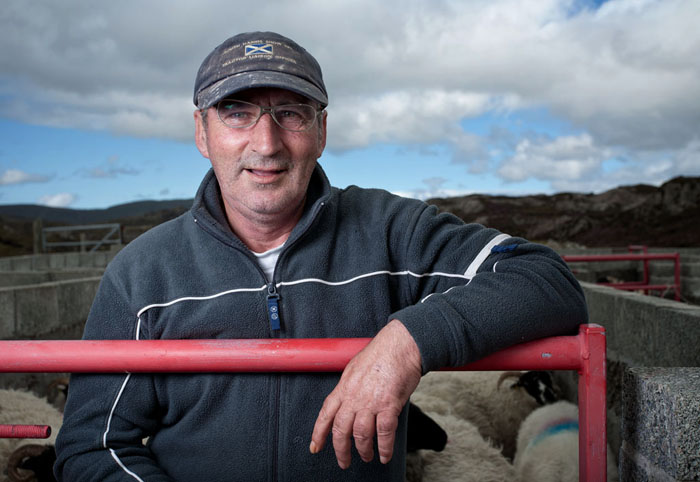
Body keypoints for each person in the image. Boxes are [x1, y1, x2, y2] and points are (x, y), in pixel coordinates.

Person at [54, 31, 587, 481]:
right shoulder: (143, 273)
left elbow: (546, 279)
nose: (266, 143)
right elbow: (91, 447)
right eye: (237, 113)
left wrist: (408, 341)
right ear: (202, 132)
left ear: (322, 131)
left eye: (290, 113)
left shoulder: (389, 230)